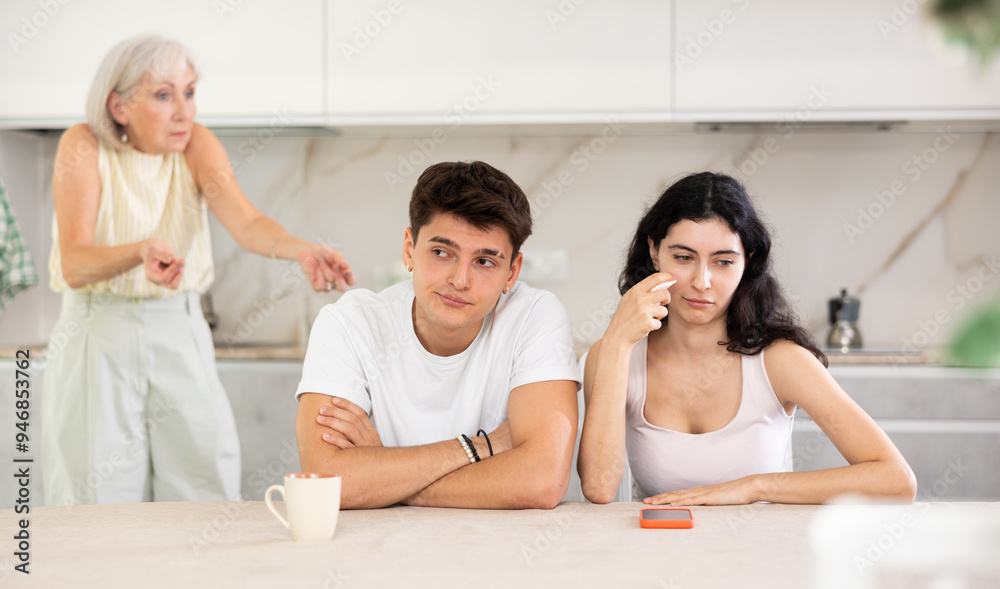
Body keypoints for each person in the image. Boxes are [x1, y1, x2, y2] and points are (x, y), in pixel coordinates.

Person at [42, 35, 355, 505]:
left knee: (203, 481)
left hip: (179, 329)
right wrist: (139, 252)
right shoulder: (83, 145)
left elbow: (247, 222)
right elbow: (75, 262)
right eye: (164, 95)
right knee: (95, 496)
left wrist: (300, 250)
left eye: (189, 92)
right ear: (119, 106)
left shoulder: (193, 143)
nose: (184, 111)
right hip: (96, 331)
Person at [577, 172, 917, 506]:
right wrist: (618, 343)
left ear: (747, 263)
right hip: (660, 550)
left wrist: (754, 487)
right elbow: (599, 487)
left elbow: (895, 480)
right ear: (654, 251)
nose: (702, 281)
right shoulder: (613, 355)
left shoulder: (782, 361)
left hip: (760, 554)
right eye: (683, 257)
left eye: (723, 262)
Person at [295, 161, 580, 509]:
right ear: (409, 249)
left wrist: (383, 477)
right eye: (442, 252)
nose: (460, 280)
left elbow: (542, 482)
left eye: (485, 261)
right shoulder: (349, 323)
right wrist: (481, 447)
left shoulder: (536, 316)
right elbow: (326, 481)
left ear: (512, 272)